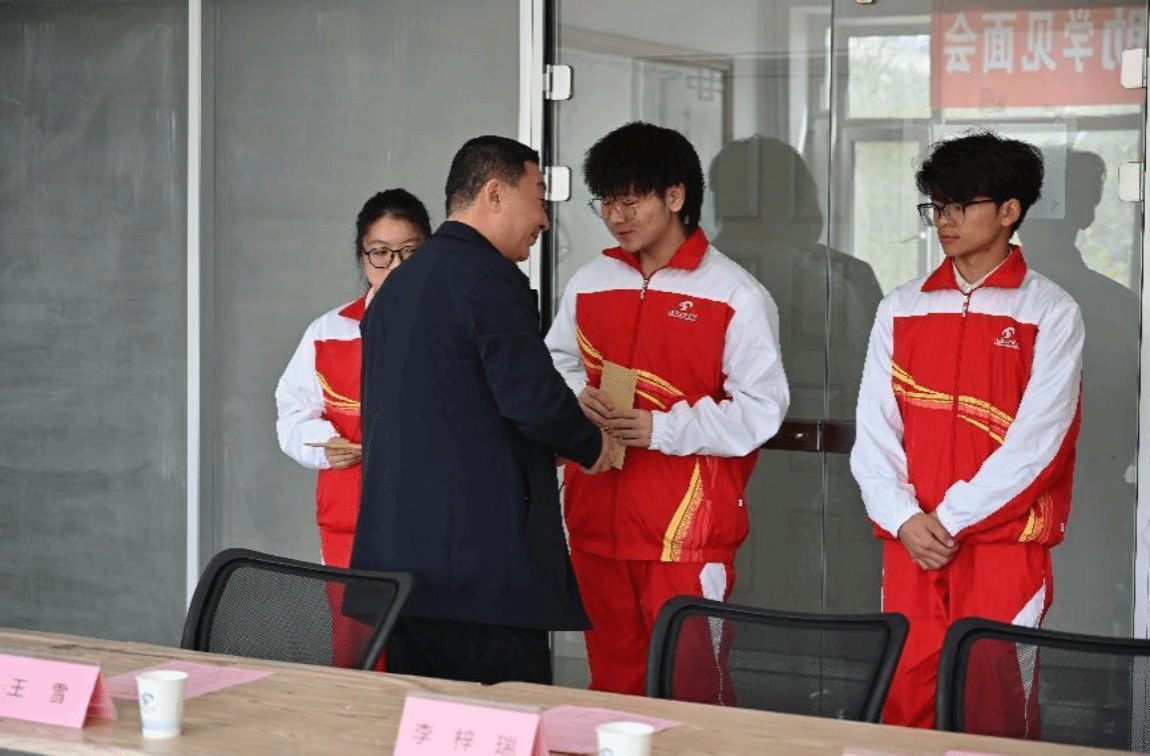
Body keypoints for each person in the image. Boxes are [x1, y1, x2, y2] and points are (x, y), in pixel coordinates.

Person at [352, 135, 613, 685]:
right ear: (494, 193)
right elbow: (530, 397)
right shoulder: (488, 278)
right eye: (538, 197)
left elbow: (445, 406)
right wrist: (593, 445)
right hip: (478, 575)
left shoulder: (394, 289)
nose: (544, 219)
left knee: (424, 719)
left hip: (399, 573)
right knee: (502, 721)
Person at [545, 121, 790, 698]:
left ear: (675, 196)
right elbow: (555, 361)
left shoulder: (735, 293)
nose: (616, 216)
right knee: (612, 685)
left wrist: (661, 428)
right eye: (606, 202)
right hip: (594, 522)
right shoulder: (589, 281)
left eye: (630, 201)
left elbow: (761, 410)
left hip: (686, 537)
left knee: (692, 690)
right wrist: (577, 396)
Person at [851, 132, 1083, 730]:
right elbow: (874, 429)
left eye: (959, 206)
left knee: (994, 703)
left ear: (1009, 211)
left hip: (1003, 544)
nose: (944, 221)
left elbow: (1040, 444)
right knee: (906, 694)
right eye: (936, 206)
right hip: (911, 541)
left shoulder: (1049, 311)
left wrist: (949, 520)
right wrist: (903, 517)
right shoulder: (901, 307)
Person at [275, 188, 432, 668]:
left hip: (430, 520)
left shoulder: (448, 329)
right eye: (380, 253)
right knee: (358, 654)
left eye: (409, 252)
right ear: (363, 258)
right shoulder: (330, 331)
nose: (394, 266)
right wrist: (325, 445)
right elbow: (292, 413)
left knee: (426, 655)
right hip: (350, 523)